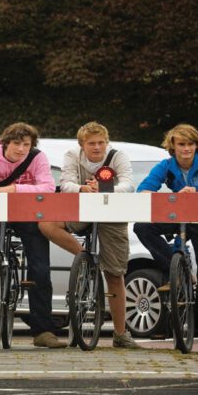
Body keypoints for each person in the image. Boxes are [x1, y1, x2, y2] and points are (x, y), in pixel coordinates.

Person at [0, 122, 66, 349]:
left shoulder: (38, 158)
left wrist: (16, 189)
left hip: (27, 213)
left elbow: (47, 187)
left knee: (40, 267)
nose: (21, 149)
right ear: (5, 143)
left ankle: (43, 330)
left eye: (26, 144)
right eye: (17, 143)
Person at [38, 121, 141, 349]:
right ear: (82, 144)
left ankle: (121, 334)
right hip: (81, 208)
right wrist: (83, 189)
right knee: (47, 224)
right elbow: (65, 184)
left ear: (107, 141)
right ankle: (86, 257)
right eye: (91, 143)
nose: (97, 147)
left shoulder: (118, 156)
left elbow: (129, 184)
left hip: (111, 213)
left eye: (101, 142)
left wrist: (105, 189)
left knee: (115, 274)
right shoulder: (72, 155)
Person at [134, 123, 198, 354]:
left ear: (197, 145)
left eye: (190, 144)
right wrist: (174, 197)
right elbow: (143, 191)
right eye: (181, 144)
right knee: (142, 227)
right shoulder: (166, 165)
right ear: (173, 146)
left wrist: (196, 195)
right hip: (177, 217)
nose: (187, 148)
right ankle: (174, 265)